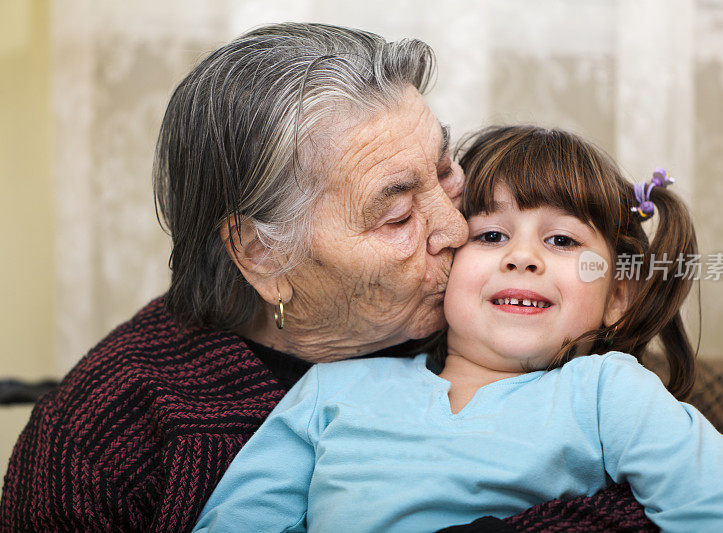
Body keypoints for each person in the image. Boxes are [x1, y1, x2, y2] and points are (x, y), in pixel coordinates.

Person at [0, 23, 468, 531]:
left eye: (445, 170)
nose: (458, 227)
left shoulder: (499, 315)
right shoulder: (100, 448)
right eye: (398, 216)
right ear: (262, 255)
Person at [193, 126, 723, 532]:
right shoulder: (332, 389)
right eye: (490, 235)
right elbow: (240, 519)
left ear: (616, 294)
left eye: (562, 240)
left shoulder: (608, 392)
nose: (522, 258)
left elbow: (718, 508)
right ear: (444, 258)